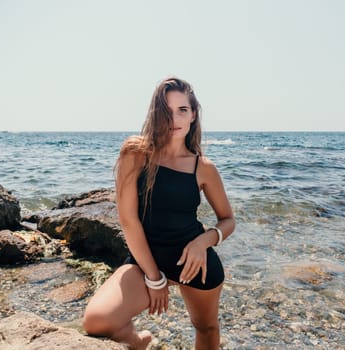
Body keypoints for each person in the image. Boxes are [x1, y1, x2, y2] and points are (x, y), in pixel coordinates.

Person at [82, 77, 236, 349]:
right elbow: (128, 221)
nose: (174, 118)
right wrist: (154, 278)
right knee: (97, 321)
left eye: (182, 110)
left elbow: (228, 220)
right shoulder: (136, 154)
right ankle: (137, 340)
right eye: (166, 111)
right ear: (155, 114)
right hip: (146, 260)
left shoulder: (203, 167)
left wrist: (204, 241)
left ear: (193, 114)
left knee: (207, 328)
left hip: (194, 262)